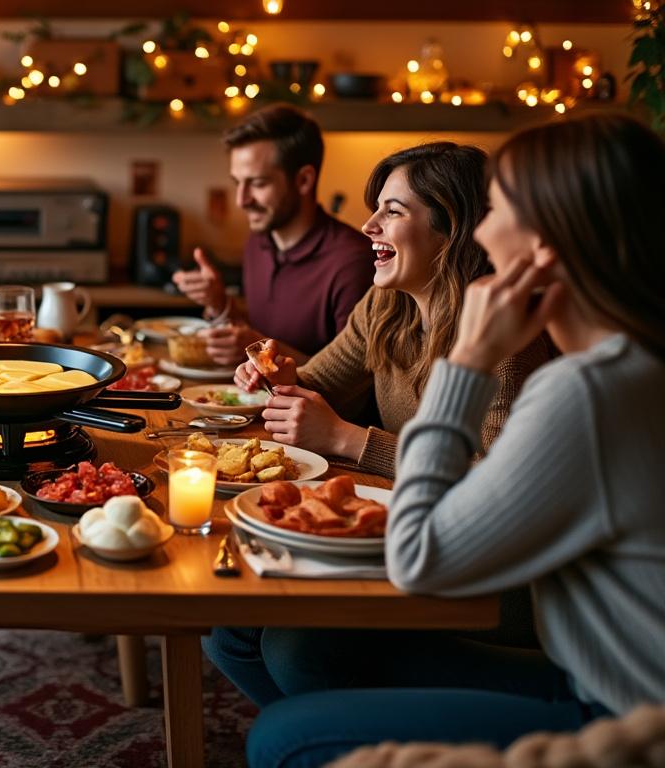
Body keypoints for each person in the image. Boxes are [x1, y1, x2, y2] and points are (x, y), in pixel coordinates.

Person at [243, 113, 665, 768]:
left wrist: (466, 362)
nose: (486, 228)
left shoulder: (584, 390)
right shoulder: (631, 364)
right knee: (249, 637)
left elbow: (419, 556)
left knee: (284, 728)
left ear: (548, 243)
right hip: (593, 669)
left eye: (501, 207)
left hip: (617, 712)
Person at [206, 142, 553, 709]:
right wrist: (278, 378)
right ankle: (329, 736)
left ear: (454, 228)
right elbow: (317, 384)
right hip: (406, 535)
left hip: (498, 577)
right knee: (232, 634)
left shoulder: (506, 339)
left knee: (298, 652)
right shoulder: (385, 307)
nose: (368, 225)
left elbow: (502, 487)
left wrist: (349, 440)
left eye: (393, 211)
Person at [171, 104, 374, 365]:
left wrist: (263, 352)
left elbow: (355, 383)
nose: (241, 200)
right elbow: (260, 335)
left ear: (303, 180)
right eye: (237, 183)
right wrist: (219, 303)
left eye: (257, 184)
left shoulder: (353, 262)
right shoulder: (258, 242)